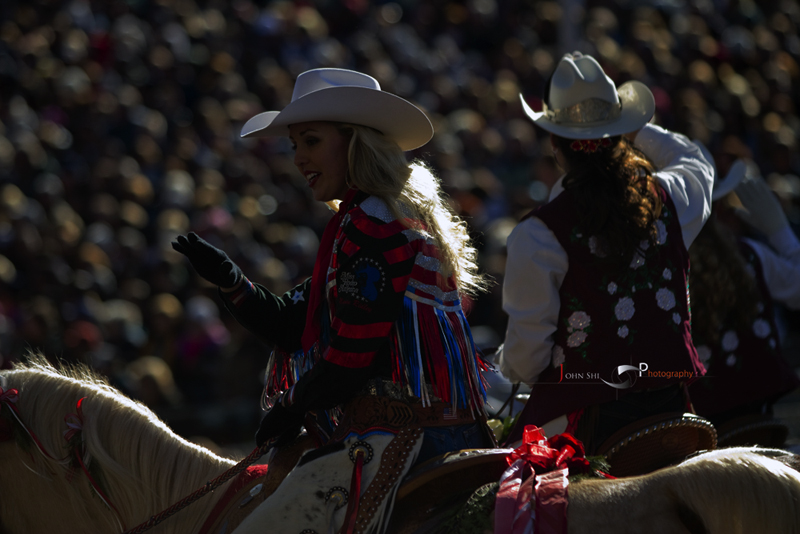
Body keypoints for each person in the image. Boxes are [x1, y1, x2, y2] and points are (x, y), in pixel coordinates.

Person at [172, 68, 493, 533]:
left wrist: (291, 404)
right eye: (295, 145)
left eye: (311, 141)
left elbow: (350, 358)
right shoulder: (376, 216)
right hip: (437, 431)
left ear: (355, 142)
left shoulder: (372, 224)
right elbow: (292, 323)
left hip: (402, 436)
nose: (299, 158)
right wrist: (232, 281)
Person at [497, 52, 714, 452]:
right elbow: (695, 161)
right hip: (669, 406)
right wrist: (635, 130)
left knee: (495, 501)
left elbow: (527, 362)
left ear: (554, 144)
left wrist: (506, 364)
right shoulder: (669, 199)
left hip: (584, 428)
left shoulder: (538, 232)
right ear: (620, 136)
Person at [688, 152, 800, 441]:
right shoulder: (751, 254)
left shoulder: (657, 270)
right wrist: (781, 232)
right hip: (761, 415)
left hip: (696, 430)